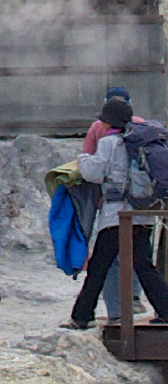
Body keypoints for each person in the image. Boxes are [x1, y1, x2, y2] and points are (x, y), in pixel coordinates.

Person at [69, 99, 168, 330]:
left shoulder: (109, 143)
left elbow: (94, 173)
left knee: (98, 267)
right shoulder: (139, 143)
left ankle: (82, 316)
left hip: (116, 216)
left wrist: (83, 159)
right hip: (142, 214)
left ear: (108, 122)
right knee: (144, 266)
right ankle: (165, 310)